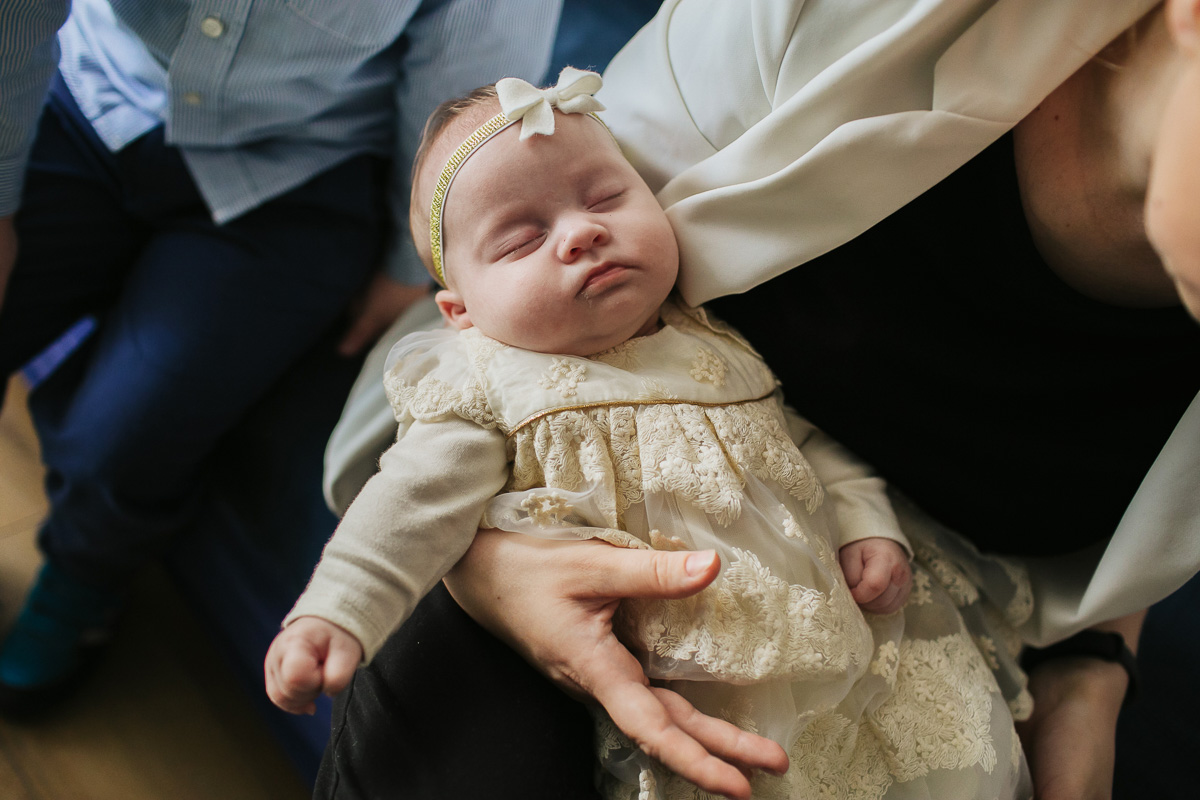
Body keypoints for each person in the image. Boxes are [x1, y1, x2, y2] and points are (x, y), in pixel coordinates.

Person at [309, 1, 1200, 799]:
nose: (580, 232)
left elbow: (800, 442)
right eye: (524, 240)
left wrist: (1089, 665)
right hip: (576, 594)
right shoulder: (806, 23)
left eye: (604, 199)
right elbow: (411, 483)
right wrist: (407, 590)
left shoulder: (723, 362)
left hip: (856, 620)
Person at [0, 0, 563, 713]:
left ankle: (85, 577)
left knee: (124, 436)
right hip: (88, 91)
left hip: (296, 169)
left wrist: (407, 264)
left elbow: (462, 92)